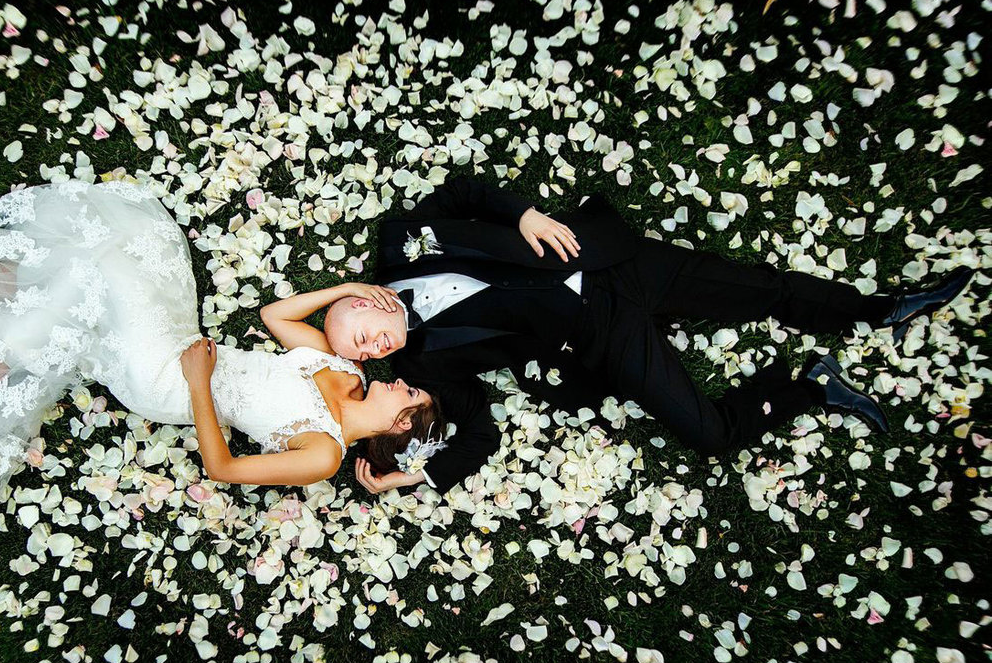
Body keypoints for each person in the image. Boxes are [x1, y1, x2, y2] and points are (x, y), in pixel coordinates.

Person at [314, 175, 975, 494]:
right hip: (602, 336)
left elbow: (462, 194)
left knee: (759, 288)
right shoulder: (427, 366)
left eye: (361, 332)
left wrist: (524, 216)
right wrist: (416, 478)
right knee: (711, 434)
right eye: (363, 355)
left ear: (362, 295)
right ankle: (810, 386)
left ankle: (876, 310)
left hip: (609, 262)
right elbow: (478, 433)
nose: (374, 350)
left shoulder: (403, 248)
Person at [0, 180, 443, 539]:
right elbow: (276, 318)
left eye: (409, 395)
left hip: (172, 381)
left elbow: (223, 469)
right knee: (121, 259)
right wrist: (342, 288)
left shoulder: (322, 454)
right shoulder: (349, 372)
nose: (400, 383)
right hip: (191, 345)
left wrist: (199, 381)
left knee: (109, 282)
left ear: (398, 425)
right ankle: (6, 308)